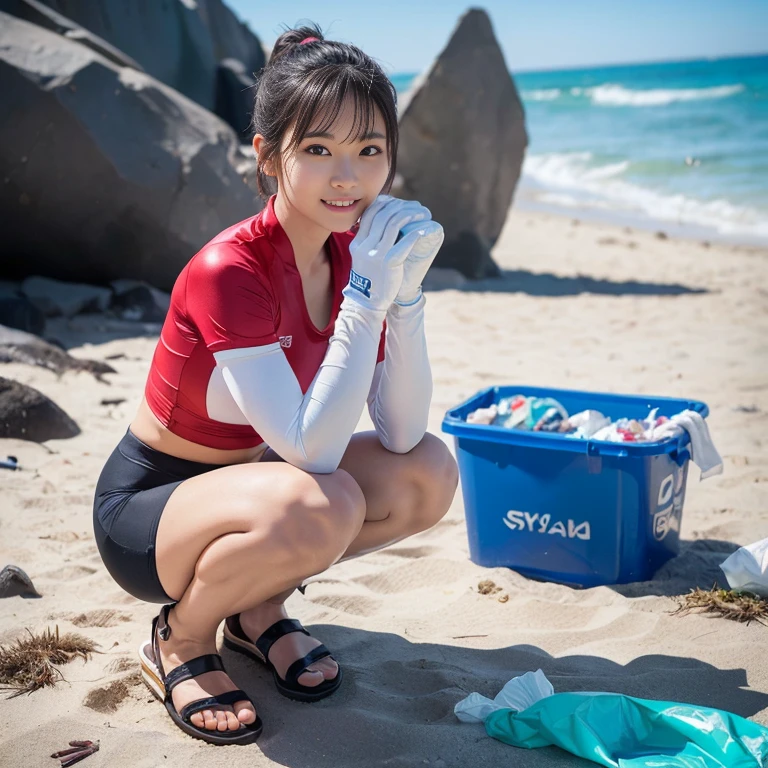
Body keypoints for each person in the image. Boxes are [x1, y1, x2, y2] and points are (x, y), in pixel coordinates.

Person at [92, 23, 458, 745]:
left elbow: (402, 434)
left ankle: (255, 611)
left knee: (427, 472)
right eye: (318, 150)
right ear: (268, 156)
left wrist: (405, 297)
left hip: (266, 487)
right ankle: (181, 636)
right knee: (322, 499)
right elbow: (313, 454)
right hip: (152, 510)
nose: (346, 178)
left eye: (368, 151)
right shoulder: (231, 270)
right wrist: (366, 299)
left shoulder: (360, 253)